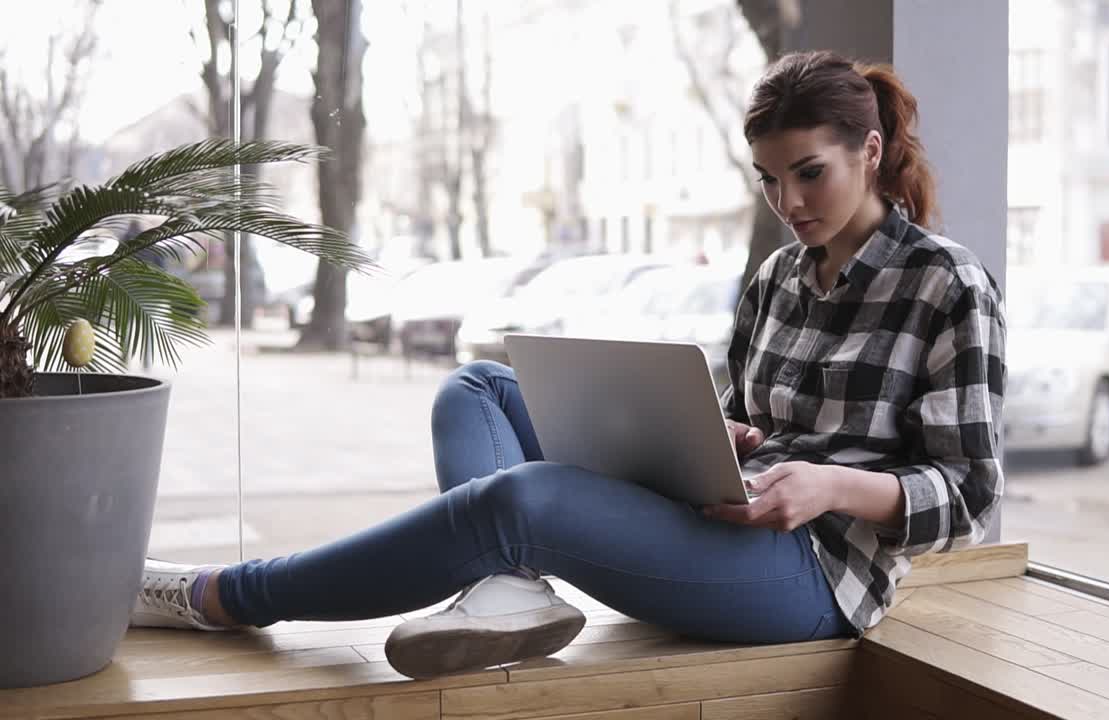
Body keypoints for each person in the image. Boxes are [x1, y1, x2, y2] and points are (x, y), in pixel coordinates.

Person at [129, 50, 1006, 681]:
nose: (788, 203)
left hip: (816, 577)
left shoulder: (947, 282)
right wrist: (727, 433)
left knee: (522, 499)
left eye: (808, 174)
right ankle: (509, 591)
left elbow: (970, 498)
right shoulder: (777, 276)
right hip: (726, 512)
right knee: (479, 386)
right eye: (769, 180)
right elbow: (755, 421)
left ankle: (225, 596)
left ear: (871, 152)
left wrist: (831, 487)